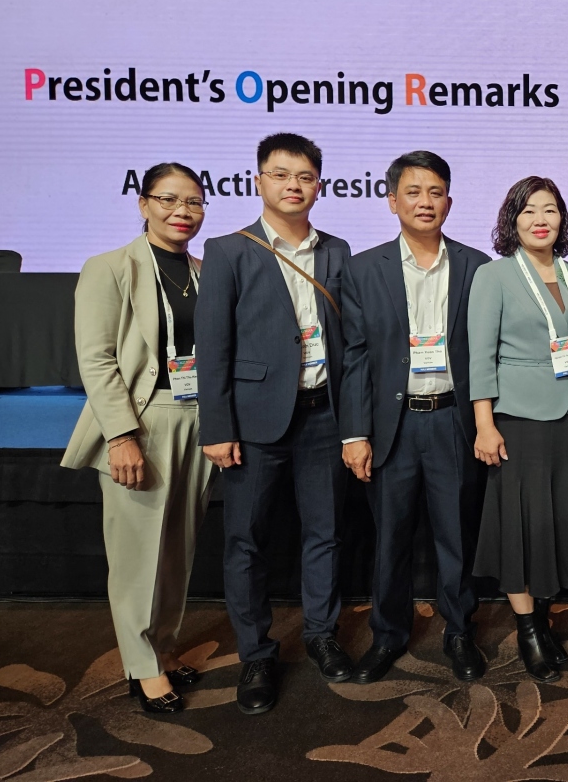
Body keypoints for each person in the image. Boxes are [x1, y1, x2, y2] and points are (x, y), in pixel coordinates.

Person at [195, 133, 353, 715]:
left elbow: (349, 339)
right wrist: (218, 426)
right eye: (281, 175)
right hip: (254, 421)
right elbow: (213, 347)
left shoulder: (337, 250)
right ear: (258, 180)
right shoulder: (228, 251)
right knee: (247, 540)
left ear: (319, 185)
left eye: (305, 176)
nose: (293, 185)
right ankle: (257, 655)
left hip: (324, 415)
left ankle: (321, 634)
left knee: (325, 533)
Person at [62, 163, 213, 714]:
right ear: (143, 203)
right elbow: (96, 359)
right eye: (168, 199)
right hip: (141, 422)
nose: (182, 211)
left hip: (199, 421)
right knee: (136, 555)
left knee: (176, 552)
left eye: (193, 202)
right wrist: (121, 435)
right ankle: (142, 668)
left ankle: (162, 650)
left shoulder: (204, 272)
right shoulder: (109, 268)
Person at [339, 150, 489, 684]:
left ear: (449, 201)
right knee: (391, 537)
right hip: (391, 427)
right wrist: (355, 432)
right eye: (413, 192)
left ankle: (459, 631)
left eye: (435, 192)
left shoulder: (477, 266)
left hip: (452, 421)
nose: (425, 202)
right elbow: (354, 357)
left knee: (456, 535)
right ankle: (387, 635)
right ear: (391, 201)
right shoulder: (363, 268)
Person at [469, 176, 568, 683]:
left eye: (549, 210)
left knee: (555, 522)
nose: (540, 219)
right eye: (528, 211)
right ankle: (527, 629)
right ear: (513, 221)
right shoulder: (495, 275)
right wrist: (484, 423)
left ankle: (542, 618)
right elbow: (480, 355)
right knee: (520, 525)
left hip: (566, 416)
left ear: (562, 219)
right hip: (517, 420)